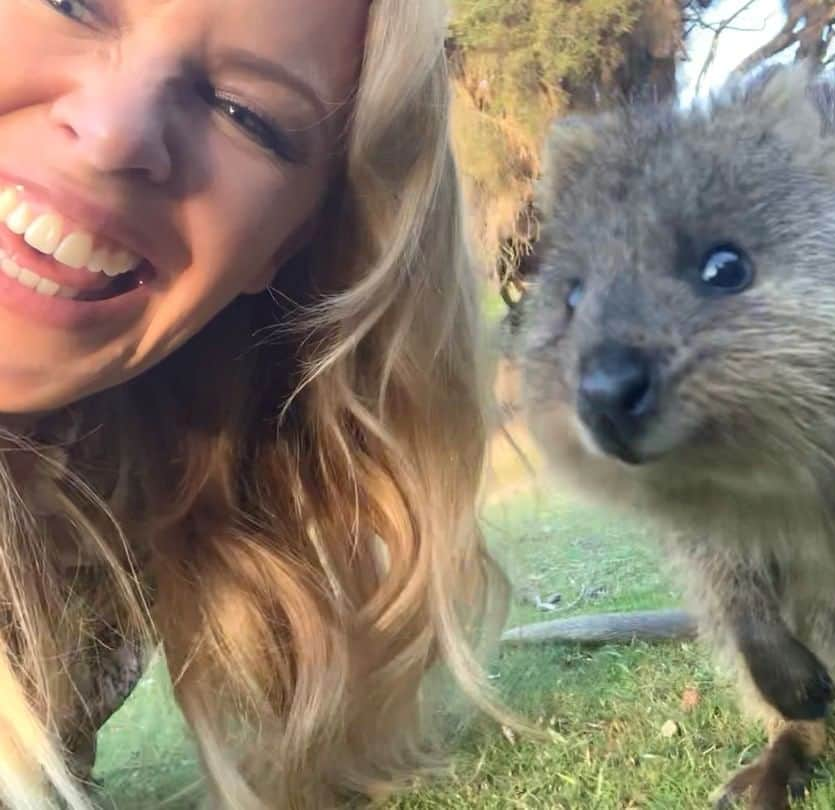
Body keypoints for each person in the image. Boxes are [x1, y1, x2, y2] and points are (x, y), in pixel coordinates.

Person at [0, 1, 507, 808]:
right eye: (69, 1)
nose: (115, 133)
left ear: (283, 247)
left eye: (247, 115)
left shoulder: (127, 501)